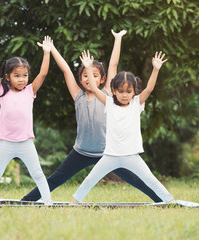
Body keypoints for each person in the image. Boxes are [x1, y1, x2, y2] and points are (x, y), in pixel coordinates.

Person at [21, 30, 163, 203]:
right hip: (81, 151)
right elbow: (66, 69)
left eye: (94, 76)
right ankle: (26, 200)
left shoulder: (108, 95)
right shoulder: (77, 95)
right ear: (80, 79)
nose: (89, 78)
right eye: (86, 76)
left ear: (103, 79)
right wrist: (51, 49)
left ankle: (161, 200)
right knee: (56, 178)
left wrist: (117, 39)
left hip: (108, 153)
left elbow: (113, 65)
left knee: (136, 180)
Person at [70, 50, 174, 204]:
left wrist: (156, 69)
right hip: (110, 156)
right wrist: (87, 67)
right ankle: (74, 202)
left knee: (151, 179)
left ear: (134, 92)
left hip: (132, 156)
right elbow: (94, 87)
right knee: (90, 179)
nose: (125, 95)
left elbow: (149, 89)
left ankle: (170, 201)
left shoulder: (136, 103)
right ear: (113, 91)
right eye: (121, 91)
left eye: (129, 91)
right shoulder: (109, 103)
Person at [0, 33, 53, 205]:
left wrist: (46, 53)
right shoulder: (3, 90)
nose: (21, 79)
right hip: (6, 142)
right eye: (17, 75)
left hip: (25, 142)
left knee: (38, 173)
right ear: (7, 77)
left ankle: (49, 202)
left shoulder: (30, 91)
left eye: (24, 75)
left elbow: (42, 74)